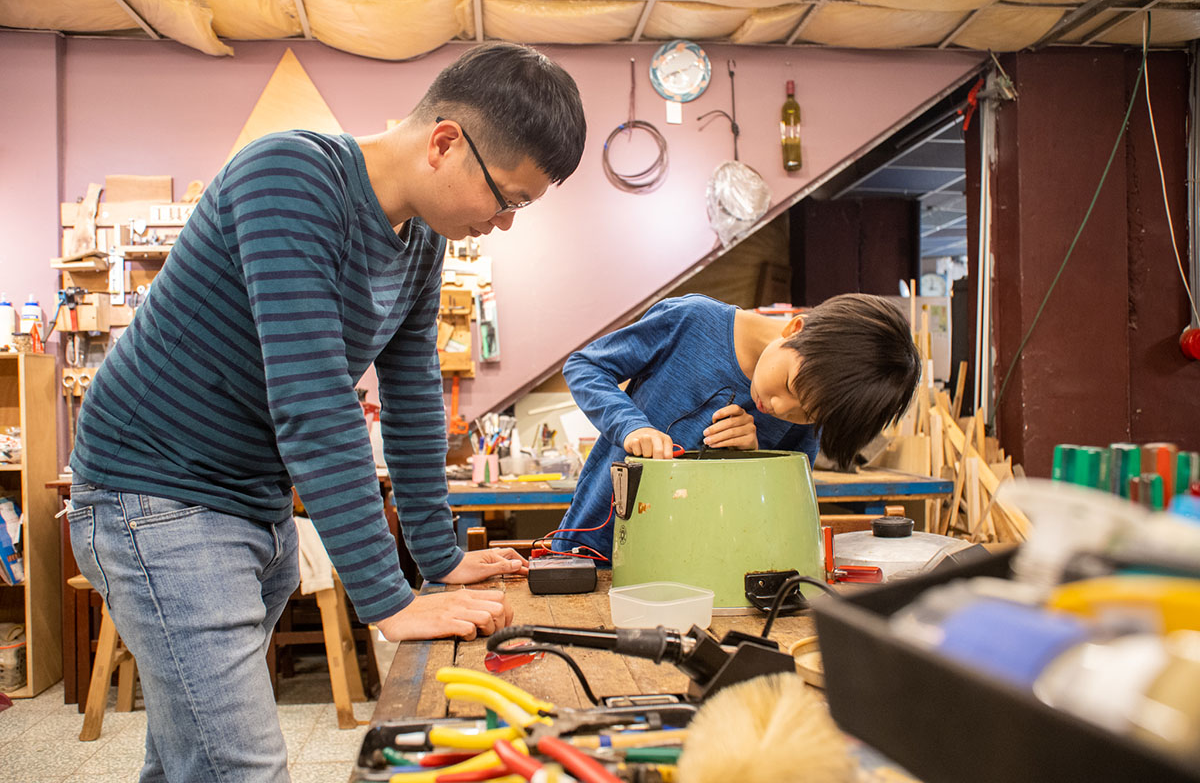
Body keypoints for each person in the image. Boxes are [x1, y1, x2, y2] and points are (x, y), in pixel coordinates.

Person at [65, 42, 586, 782]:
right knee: (240, 767)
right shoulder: (289, 175)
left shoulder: (421, 246)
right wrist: (388, 599)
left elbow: (410, 401)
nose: (504, 222)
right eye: (508, 197)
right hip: (155, 495)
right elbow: (313, 402)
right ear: (445, 141)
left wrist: (438, 559)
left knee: (193, 760)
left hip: (249, 502)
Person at [552, 293, 921, 560]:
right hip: (590, 551)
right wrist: (631, 426)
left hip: (697, 573)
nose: (779, 408)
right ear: (794, 330)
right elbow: (586, 367)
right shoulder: (691, 322)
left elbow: (782, 506)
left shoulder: (815, 406)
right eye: (792, 386)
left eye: (805, 414)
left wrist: (755, 459)